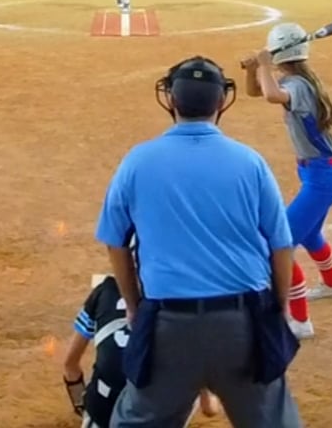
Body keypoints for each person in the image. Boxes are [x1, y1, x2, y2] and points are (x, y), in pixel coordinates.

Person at [96, 56, 303, 428]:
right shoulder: (250, 162)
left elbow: (115, 242)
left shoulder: (137, 162)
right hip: (244, 324)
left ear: (171, 100)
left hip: (168, 327)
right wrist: (280, 308)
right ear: (221, 101)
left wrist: (135, 307)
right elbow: (281, 244)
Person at [241, 23, 332, 340]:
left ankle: (301, 322)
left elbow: (272, 95)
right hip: (319, 173)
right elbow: (257, 91)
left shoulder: (297, 86)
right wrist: (254, 69)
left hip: (321, 178)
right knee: (310, 234)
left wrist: (263, 64)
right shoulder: (297, 80)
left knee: (280, 245)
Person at [62, 264, 221, 427]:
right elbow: (210, 408)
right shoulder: (187, 306)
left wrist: (82, 407)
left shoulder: (105, 291)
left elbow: (70, 366)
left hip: (100, 413)